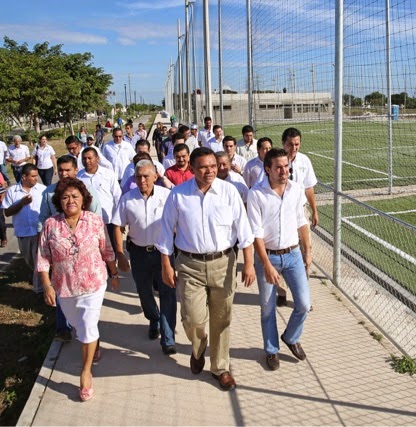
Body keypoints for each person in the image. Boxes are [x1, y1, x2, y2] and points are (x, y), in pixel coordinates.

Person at [157, 147, 255, 391]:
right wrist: (166, 265)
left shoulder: (229, 192)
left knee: (222, 319)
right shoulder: (178, 195)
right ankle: (198, 349)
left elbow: (244, 231)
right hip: (189, 265)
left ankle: (220, 367)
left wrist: (249, 264)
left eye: (213, 166)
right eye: (203, 166)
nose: (209, 171)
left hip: (224, 263)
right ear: (191, 168)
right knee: (192, 318)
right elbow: (166, 231)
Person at [37, 177, 119, 401]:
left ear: (84, 200)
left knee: (87, 326)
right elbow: (43, 258)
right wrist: (46, 285)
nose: (70, 200)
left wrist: (113, 273)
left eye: (75, 196)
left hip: (93, 283)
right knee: (78, 325)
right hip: (65, 287)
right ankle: (95, 342)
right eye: (65, 197)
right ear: (58, 202)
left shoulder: (94, 221)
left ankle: (85, 373)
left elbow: (107, 249)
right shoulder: (51, 225)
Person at [247, 148, 312, 370]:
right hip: (269, 256)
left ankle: (291, 337)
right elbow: (256, 234)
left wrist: (307, 250)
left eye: (286, 166)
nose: (284, 171)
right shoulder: (256, 194)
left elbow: (301, 221)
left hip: (293, 255)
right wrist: (265, 264)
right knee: (267, 308)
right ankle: (271, 350)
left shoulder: (296, 190)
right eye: (279, 167)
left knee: (303, 304)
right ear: (268, 169)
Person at [113, 160, 177, 355]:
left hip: (163, 253)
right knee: (144, 291)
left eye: (146, 176)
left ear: (155, 176)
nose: (142, 180)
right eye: (138, 176)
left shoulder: (168, 197)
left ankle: (168, 337)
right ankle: (154, 318)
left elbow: (179, 223)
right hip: (139, 253)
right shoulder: (127, 199)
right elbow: (117, 226)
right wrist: (120, 254)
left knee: (168, 291)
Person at [38, 155, 102, 342]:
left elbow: (96, 217)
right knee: (61, 289)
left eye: (68, 170)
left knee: (87, 303)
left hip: (85, 256)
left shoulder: (87, 190)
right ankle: (63, 328)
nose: (64, 174)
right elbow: (43, 220)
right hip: (58, 253)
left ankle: (90, 338)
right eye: (61, 170)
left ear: (76, 170)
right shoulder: (48, 193)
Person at [278, 128, 319, 307]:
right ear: (283, 143)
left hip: (301, 211)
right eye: (290, 144)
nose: (293, 148)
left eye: (296, 144)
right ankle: (280, 291)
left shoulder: (304, 161)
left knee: (305, 252)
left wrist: (314, 210)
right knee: (280, 250)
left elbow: (309, 187)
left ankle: (302, 295)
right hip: (281, 212)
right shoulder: (277, 161)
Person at [2, 164, 46, 292]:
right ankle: (38, 279)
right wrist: (21, 203)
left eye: (36, 175)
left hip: (39, 232)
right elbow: (7, 212)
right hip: (23, 233)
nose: (36, 178)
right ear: (24, 177)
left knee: (39, 260)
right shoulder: (12, 191)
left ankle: (40, 289)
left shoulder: (42, 189)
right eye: (33, 176)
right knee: (30, 260)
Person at [78, 147, 122, 249]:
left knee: (111, 249)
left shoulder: (108, 174)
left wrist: (118, 217)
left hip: (108, 219)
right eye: (84, 159)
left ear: (97, 158)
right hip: (88, 221)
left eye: (90, 158)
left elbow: (117, 196)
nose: (87, 161)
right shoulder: (79, 177)